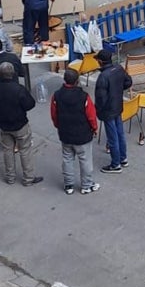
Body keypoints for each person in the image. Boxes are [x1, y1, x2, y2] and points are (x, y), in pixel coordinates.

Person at [0, 61, 42, 186]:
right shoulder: (19, 89)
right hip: (20, 124)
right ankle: (28, 178)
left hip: (3, 123)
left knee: (8, 150)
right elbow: (30, 104)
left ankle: (10, 177)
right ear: (13, 74)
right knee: (25, 150)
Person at [51, 67, 100, 195]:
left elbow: (54, 115)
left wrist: (58, 126)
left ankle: (68, 185)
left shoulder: (56, 95)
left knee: (67, 159)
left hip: (65, 134)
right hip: (82, 135)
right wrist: (94, 128)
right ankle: (86, 185)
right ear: (77, 81)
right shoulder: (84, 97)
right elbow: (91, 116)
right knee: (85, 160)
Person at [94, 49, 132, 173]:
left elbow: (100, 99)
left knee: (112, 137)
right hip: (118, 105)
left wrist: (98, 111)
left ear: (100, 61)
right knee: (120, 133)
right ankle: (123, 158)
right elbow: (128, 82)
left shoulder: (103, 77)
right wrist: (118, 90)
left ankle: (115, 164)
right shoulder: (118, 69)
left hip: (108, 110)